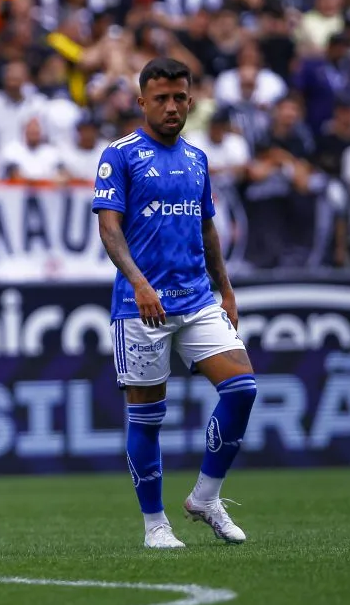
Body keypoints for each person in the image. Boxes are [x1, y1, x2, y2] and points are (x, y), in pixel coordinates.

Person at [92, 57, 257, 549]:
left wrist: (225, 288)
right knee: (147, 417)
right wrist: (140, 284)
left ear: (191, 100)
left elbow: (207, 227)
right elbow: (108, 226)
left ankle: (206, 497)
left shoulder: (197, 158)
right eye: (160, 98)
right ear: (141, 101)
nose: (171, 106)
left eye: (179, 98)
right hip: (140, 305)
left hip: (198, 299)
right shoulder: (119, 155)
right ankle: (155, 526)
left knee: (242, 389)